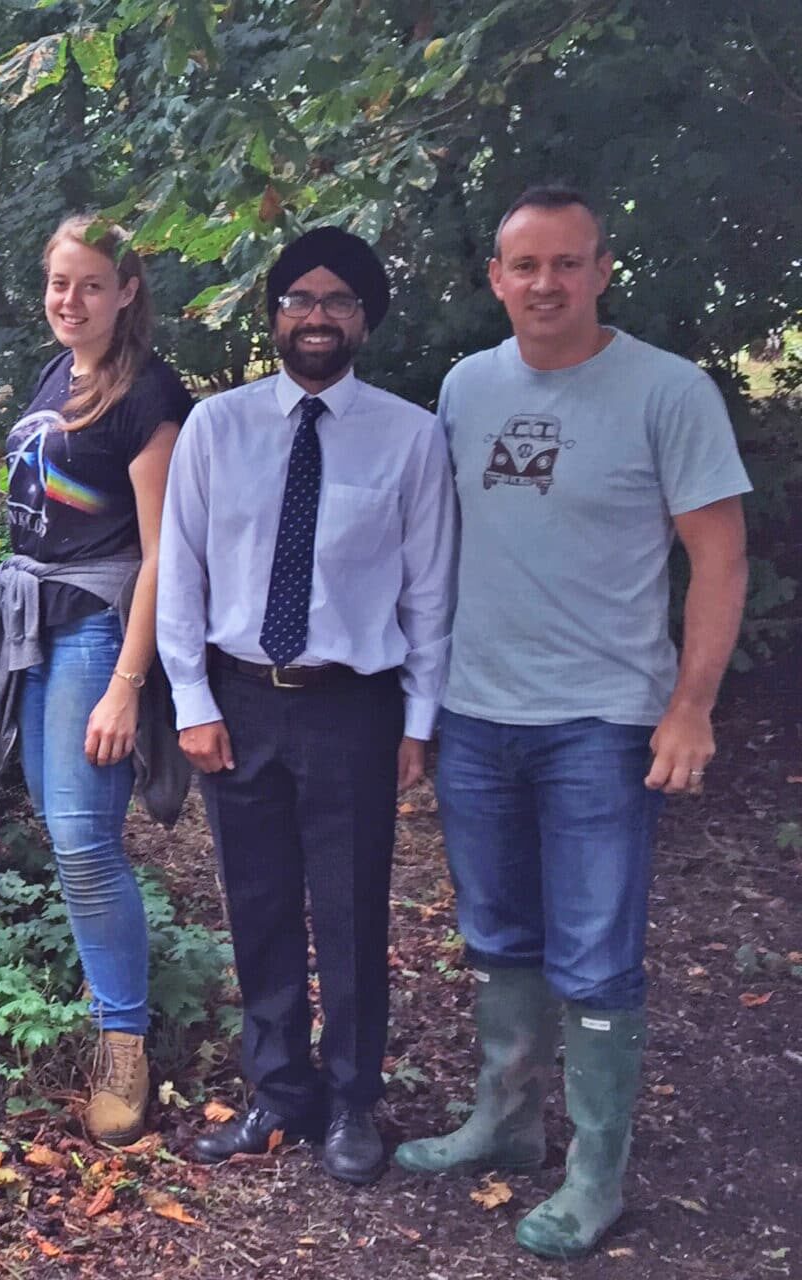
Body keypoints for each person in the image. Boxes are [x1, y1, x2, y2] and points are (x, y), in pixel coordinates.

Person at [393, 186, 749, 1258]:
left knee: (595, 955)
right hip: (476, 712)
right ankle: (505, 1121)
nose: (544, 283)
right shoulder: (465, 386)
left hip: (601, 720)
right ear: (495, 278)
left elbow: (720, 558)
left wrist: (690, 706)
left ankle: (595, 1175)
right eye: (525, 265)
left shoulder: (667, 391)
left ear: (601, 271)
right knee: (497, 934)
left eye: (566, 263)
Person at [158, 228, 455, 1185]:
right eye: (299, 299)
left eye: (337, 300)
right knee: (258, 903)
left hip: (351, 706)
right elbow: (181, 572)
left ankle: (354, 1100)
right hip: (240, 699)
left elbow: (430, 591)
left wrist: (419, 721)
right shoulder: (217, 428)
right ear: (275, 314)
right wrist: (192, 699)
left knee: (351, 903)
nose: (316, 316)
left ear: (364, 319)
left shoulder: (410, 436)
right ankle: (280, 1092)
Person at [0, 214, 193, 1146]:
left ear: (126, 291)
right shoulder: (55, 375)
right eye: (60, 282)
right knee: (63, 827)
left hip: (100, 627)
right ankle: (112, 995)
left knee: (83, 837)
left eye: (92, 284)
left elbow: (163, 550)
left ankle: (124, 1041)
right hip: (36, 621)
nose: (70, 300)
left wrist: (128, 684)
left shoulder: (149, 394)